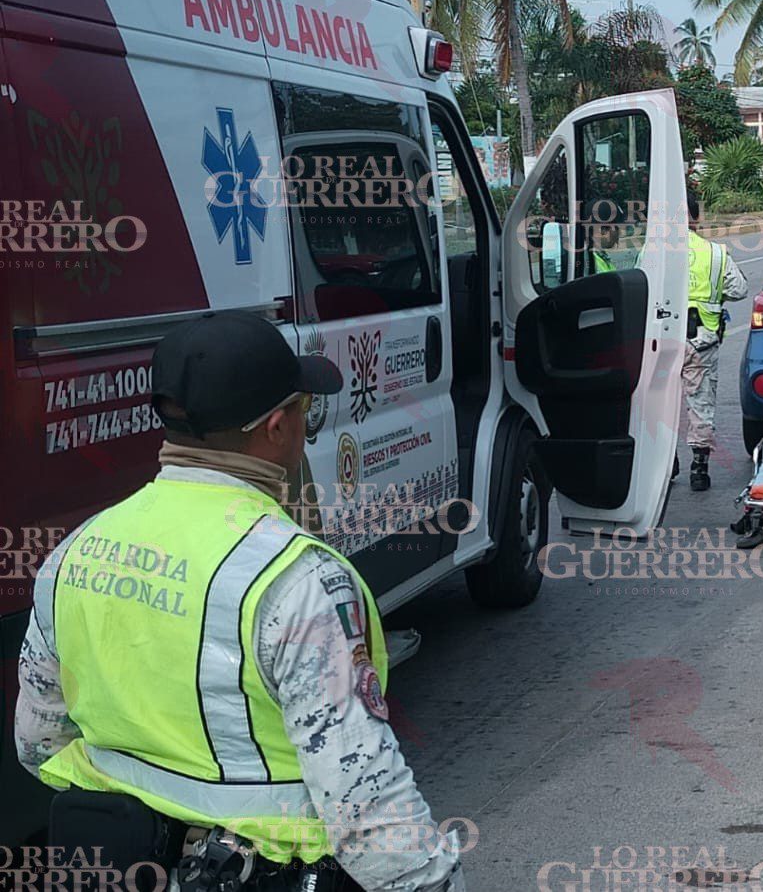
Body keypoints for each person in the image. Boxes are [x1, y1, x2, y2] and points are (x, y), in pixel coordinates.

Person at [15, 311, 464, 891]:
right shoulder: (299, 580)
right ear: (277, 427)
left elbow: (38, 743)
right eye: (304, 411)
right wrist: (430, 881)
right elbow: (363, 801)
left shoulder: (75, 553)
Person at [683, 191, 749, 492]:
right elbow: (739, 290)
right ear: (697, 218)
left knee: (659, 404)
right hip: (701, 340)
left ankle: (663, 464)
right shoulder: (716, 253)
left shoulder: (654, 251)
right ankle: (699, 467)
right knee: (701, 402)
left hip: (661, 339)